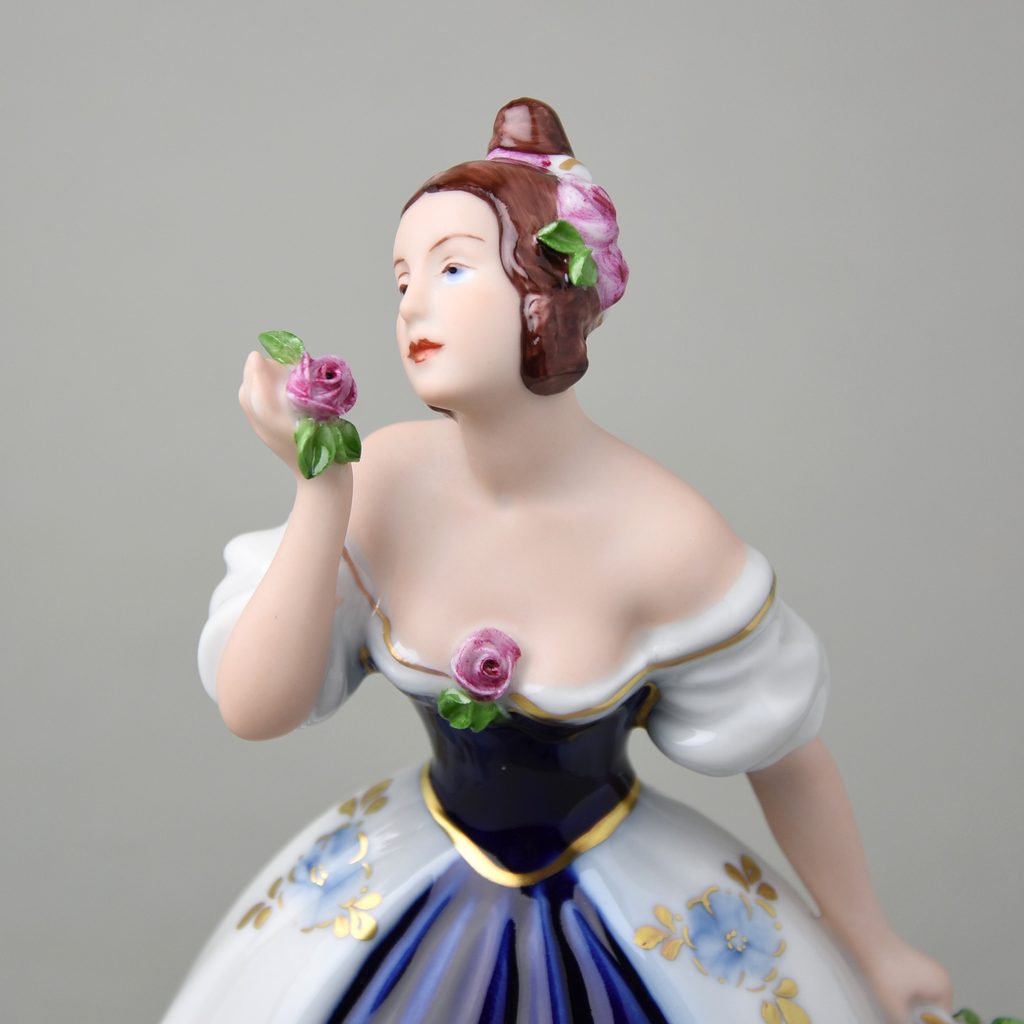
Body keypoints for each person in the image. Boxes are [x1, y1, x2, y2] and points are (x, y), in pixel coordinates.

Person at [164, 98, 953, 1023]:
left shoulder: (666, 534)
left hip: (616, 896)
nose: (413, 303)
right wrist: (322, 490)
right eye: (402, 278)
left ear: (548, 294)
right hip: (423, 865)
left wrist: (871, 943)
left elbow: (785, 757)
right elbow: (256, 708)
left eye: (453, 267)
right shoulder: (385, 478)